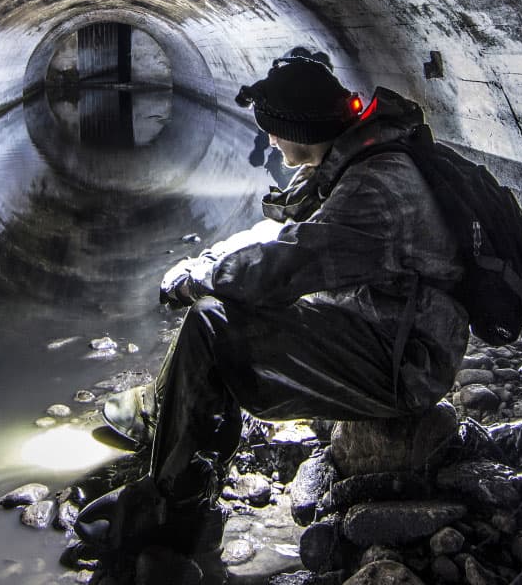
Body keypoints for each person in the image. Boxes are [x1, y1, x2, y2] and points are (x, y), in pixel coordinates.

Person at [72, 55, 471, 577]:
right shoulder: (359, 158)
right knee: (229, 307)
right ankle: (164, 419)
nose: (272, 145)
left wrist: (198, 278)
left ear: (297, 129)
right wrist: (209, 261)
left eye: (275, 134)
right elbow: (286, 234)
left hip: (405, 364)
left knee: (213, 326)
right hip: (388, 328)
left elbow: (280, 267)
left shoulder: (374, 191)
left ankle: (174, 505)